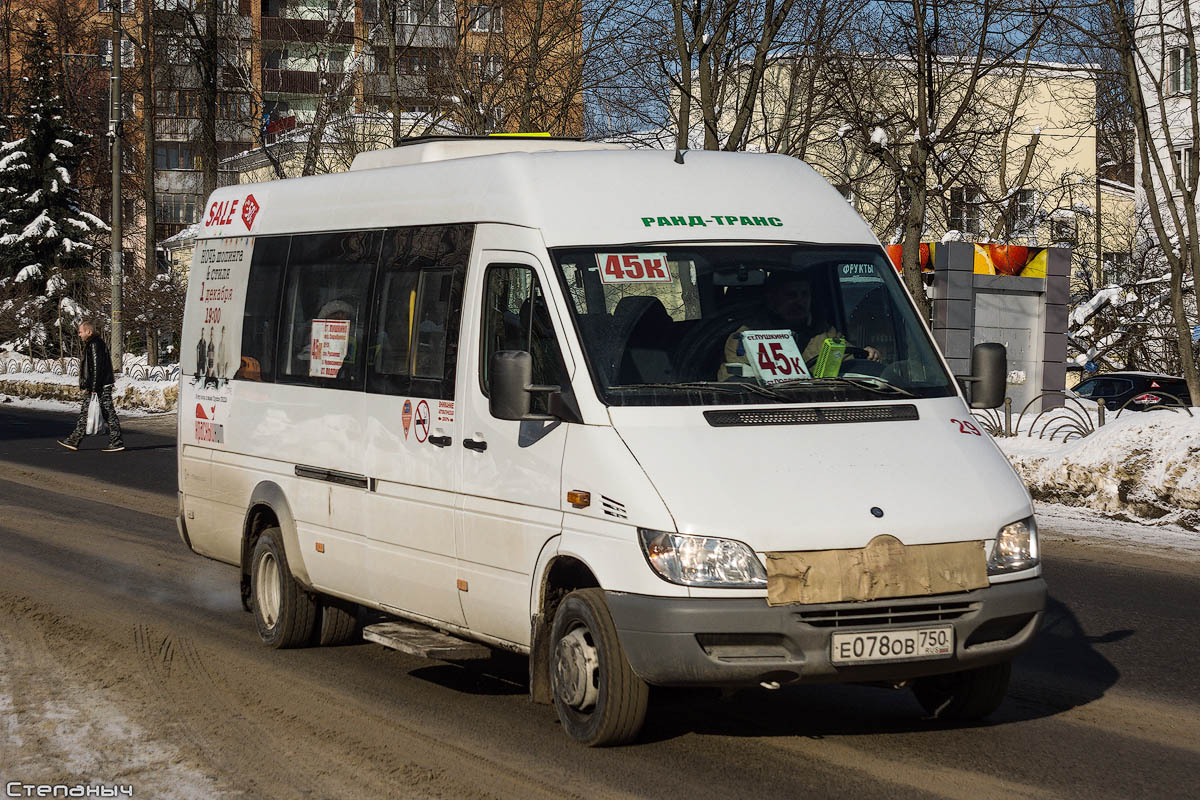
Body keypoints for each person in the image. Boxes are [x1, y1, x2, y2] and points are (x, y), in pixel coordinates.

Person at [719, 271, 880, 381]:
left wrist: (866, 356)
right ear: (772, 299)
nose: (800, 301)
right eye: (791, 295)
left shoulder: (825, 332)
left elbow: (847, 362)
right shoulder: (744, 338)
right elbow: (735, 386)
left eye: (805, 294)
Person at [58, 321, 124, 452]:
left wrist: (94, 388)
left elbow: (96, 367)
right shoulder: (94, 343)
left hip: (99, 386)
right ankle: (75, 440)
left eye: (81, 331)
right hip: (99, 384)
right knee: (92, 412)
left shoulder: (94, 344)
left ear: (89, 332)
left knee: (105, 412)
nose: (79, 334)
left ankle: (116, 441)